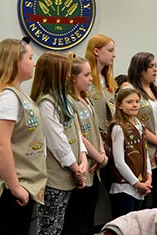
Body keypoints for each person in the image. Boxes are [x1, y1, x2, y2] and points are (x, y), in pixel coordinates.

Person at [0, 37, 46, 235]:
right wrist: (15, 187)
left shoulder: (15, 93)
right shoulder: (6, 97)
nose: (34, 62)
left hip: (21, 182)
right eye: (30, 57)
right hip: (10, 187)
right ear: (15, 62)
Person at [30, 52, 88, 235]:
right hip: (55, 178)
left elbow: (77, 134)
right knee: (50, 228)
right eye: (65, 72)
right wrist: (76, 168)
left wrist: (83, 159)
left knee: (60, 225)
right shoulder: (46, 103)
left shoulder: (65, 99)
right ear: (54, 74)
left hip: (70, 172)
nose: (69, 76)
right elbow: (58, 142)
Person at [62, 53, 109, 235]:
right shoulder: (69, 102)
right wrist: (98, 156)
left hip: (95, 166)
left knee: (90, 215)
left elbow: (95, 129)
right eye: (87, 75)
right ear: (74, 78)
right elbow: (79, 135)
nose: (91, 79)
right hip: (83, 166)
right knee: (76, 217)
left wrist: (102, 153)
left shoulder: (86, 99)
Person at [127, 52, 157, 210]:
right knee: (143, 198)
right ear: (140, 70)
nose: (155, 70)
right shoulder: (131, 92)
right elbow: (134, 124)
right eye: (151, 66)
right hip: (145, 153)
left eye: (156, 66)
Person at [107, 88, 152, 219]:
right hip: (125, 189)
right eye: (129, 102)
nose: (134, 105)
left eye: (137, 101)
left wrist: (148, 177)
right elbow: (119, 162)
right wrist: (136, 184)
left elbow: (145, 153)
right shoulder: (118, 127)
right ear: (119, 105)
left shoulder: (140, 126)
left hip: (141, 187)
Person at [85, 34, 117, 190]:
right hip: (92, 145)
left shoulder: (108, 80)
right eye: (110, 50)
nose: (114, 54)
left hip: (110, 145)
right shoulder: (85, 81)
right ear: (96, 51)